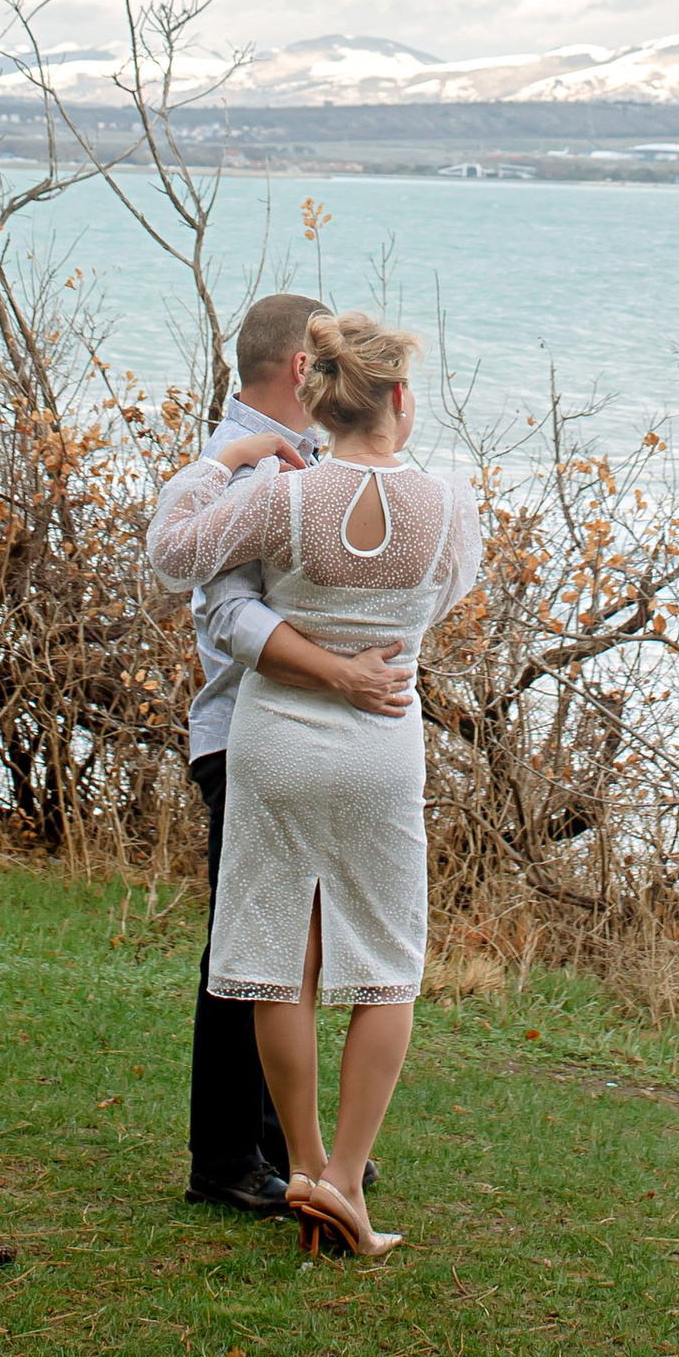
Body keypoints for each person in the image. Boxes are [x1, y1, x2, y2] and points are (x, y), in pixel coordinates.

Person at [147, 308, 483, 1263]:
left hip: (275, 740)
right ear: (401, 401)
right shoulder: (449, 504)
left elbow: (172, 555)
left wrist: (225, 460)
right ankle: (345, 1178)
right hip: (383, 741)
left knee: (277, 957)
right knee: (386, 964)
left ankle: (296, 1161)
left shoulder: (281, 495)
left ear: (322, 397)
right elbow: (445, 594)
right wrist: (387, 639)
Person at [176, 291, 417, 1214]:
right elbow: (229, 614)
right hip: (248, 730)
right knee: (246, 946)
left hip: (307, 736)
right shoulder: (248, 472)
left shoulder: (307, 464)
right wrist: (340, 677)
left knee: (296, 942)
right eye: (324, 358)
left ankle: (291, 1146)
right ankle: (228, 1159)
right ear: (297, 372)